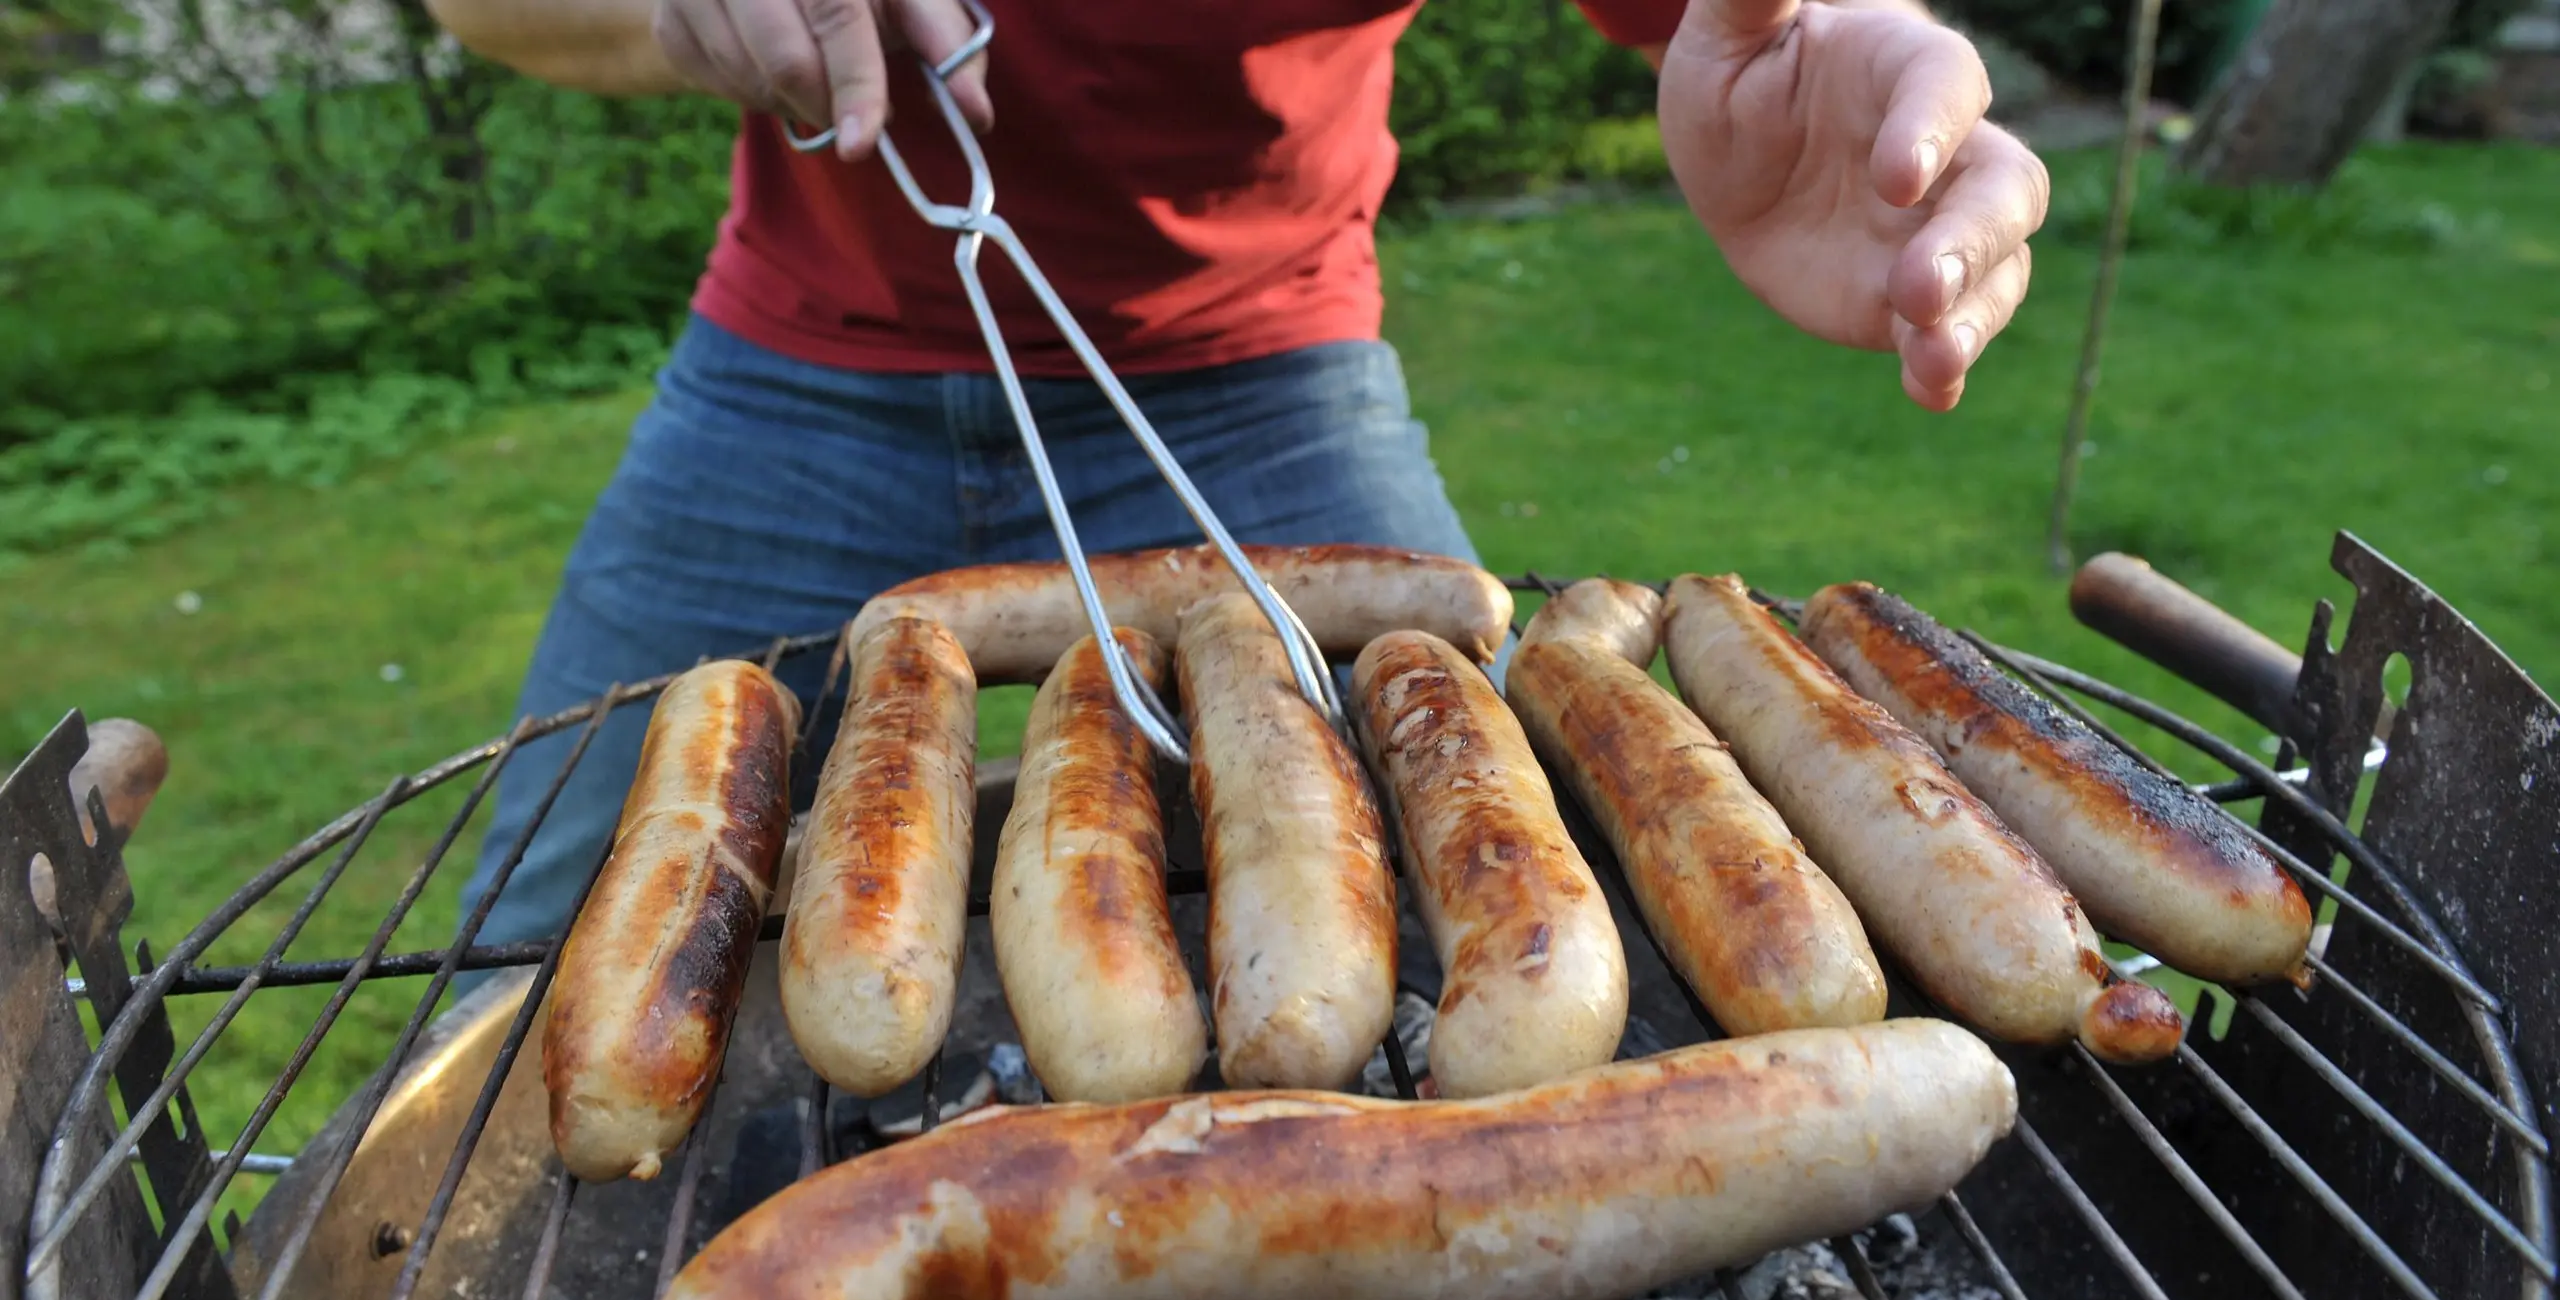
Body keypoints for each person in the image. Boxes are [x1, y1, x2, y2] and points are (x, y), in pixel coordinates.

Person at [422, 0, 2050, 966]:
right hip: (790, 378)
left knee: (1513, 887)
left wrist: (1838, 37)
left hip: (1268, 378)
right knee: (529, 936)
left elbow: (1763, 19)